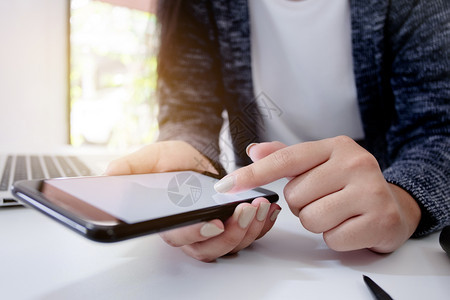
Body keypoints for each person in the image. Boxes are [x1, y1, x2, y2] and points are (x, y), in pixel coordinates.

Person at [106, 0, 450, 262]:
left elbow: (438, 128)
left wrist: (403, 201)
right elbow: (189, 112)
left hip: (374, 235)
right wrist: (191, 164)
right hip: (261, 229)